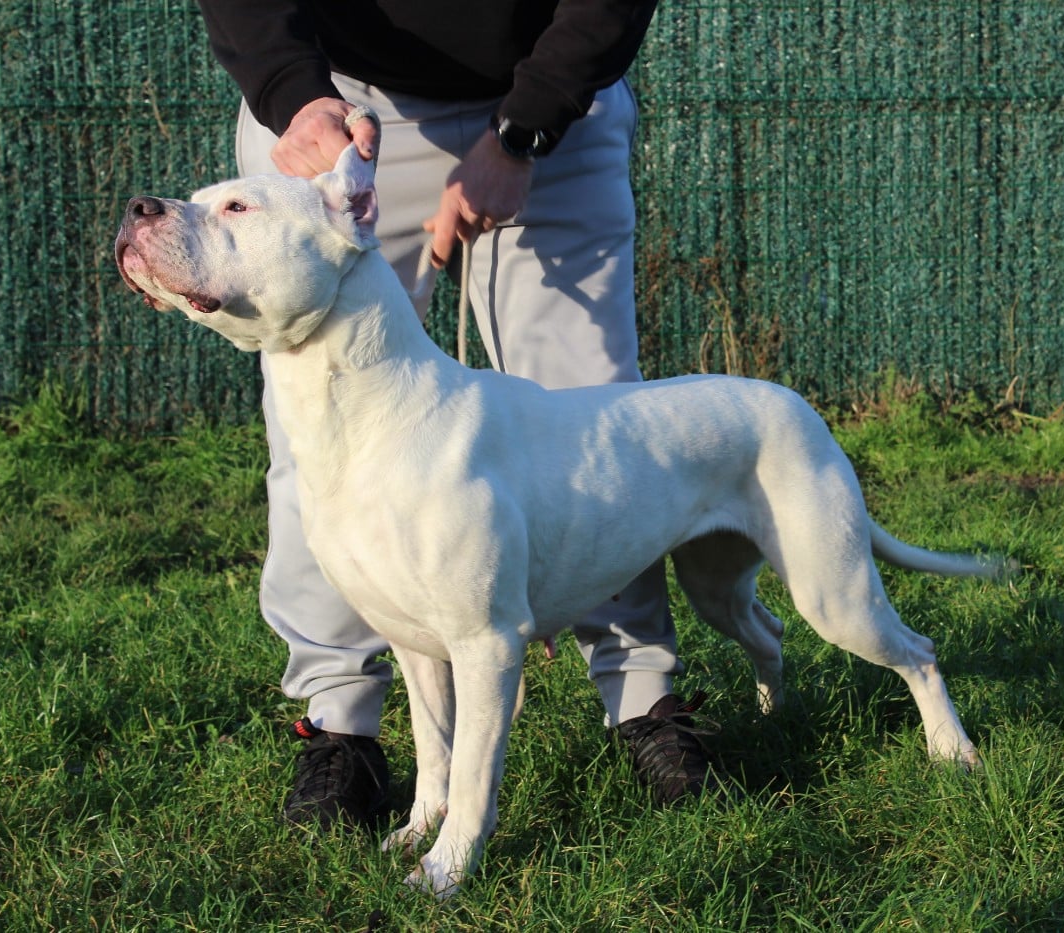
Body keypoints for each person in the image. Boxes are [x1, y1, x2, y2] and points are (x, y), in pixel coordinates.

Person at [194, 0, 727, 828]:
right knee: (318, 436)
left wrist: (524, 129)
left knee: (598, 411)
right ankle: (340, 723)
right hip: (335, 111)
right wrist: (293, 91)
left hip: (555, 99)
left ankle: (642, 698)